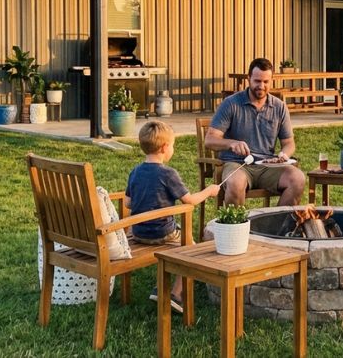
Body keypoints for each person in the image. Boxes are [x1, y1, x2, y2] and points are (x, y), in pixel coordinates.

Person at [126, 120, 220, 313]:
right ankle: (174, 293)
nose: (173, 150)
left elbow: (127, 203)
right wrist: (209, 191)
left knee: (182, 239)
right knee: (193, 250)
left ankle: (161, 288)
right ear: (164, 147)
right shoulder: (168, 174)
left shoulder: (135, 172)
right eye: (173, 146)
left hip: (138, 232)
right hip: (162, 233)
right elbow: (190, 201)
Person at [204, 57, 305, 206]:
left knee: (297, 179)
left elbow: (289, 143)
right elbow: (210, 140)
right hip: (237, 165)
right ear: (248, 79)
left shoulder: (279, 107)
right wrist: (232, 143)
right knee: (235, 182)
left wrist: (284, 155)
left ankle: (276, 221)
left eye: (266, 82)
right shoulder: (231, 103)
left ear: (271, 81)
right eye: (257, 81)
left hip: (268, 166)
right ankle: (236, 222)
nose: (261, 86)